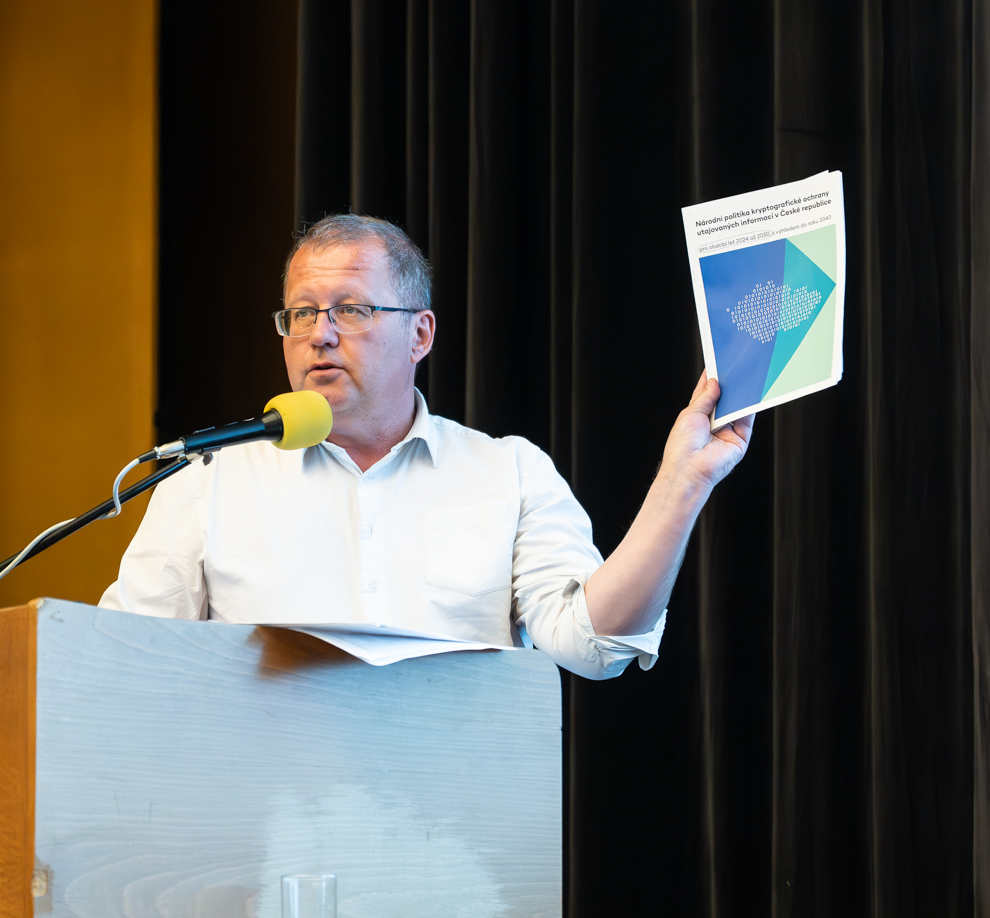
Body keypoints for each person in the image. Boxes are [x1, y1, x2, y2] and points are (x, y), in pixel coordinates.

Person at [99, 214, 753, 679]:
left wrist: (683, 483)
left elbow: (592, 646)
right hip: (260, 826)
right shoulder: (206, 479)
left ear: (420, 335)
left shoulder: (509, 472)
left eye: (351, 309)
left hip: (456, 825)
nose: (320, 334)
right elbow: (123, 664)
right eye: (301, 313)